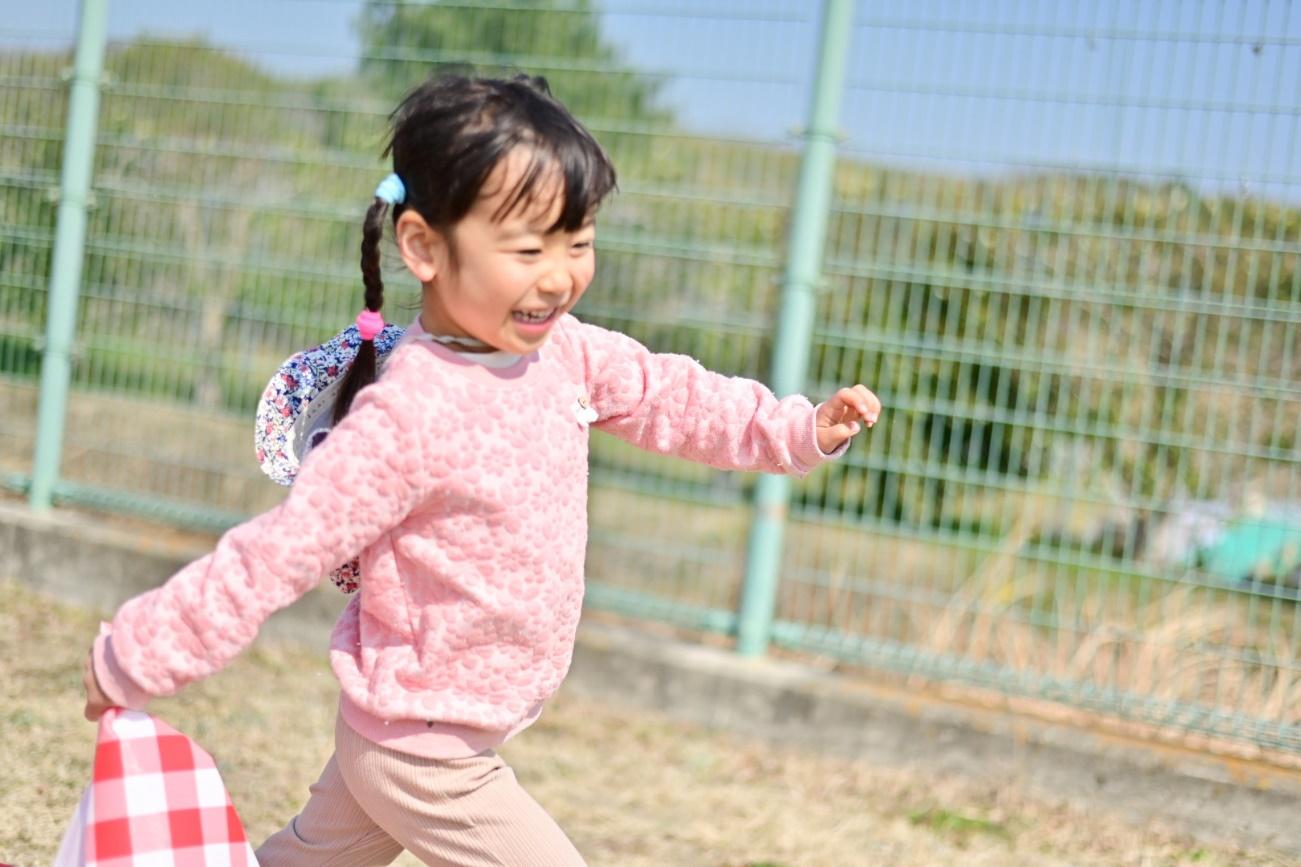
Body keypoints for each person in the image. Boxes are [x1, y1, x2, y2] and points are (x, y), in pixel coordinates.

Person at [81, 73, 882, 866]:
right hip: (423, 750)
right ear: (424, 245)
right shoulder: (409, 416)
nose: (560, 275)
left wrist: (796, 429)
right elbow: (275, 553)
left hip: (423, 721)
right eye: (528, 247)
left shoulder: (564, 352)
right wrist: (133, 657)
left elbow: (669, 394)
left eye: (579, 241)